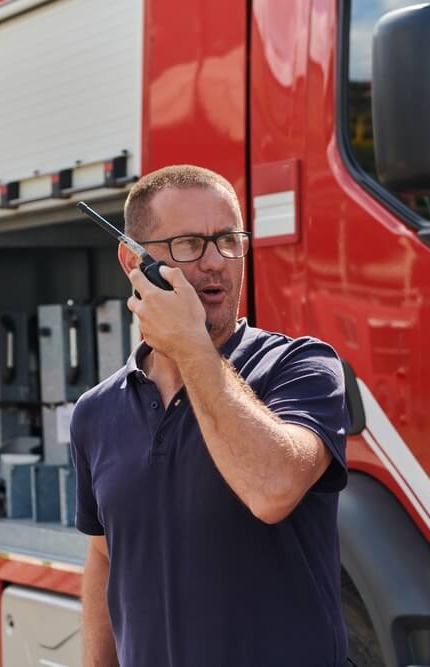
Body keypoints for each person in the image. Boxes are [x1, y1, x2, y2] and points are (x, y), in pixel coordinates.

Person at [71, 164, 350, 666]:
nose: (215, 262)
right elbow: (103, 557)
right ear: (132, 260)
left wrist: (192, 346)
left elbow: (272, 488)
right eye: (188, 245)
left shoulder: (302, 367)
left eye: (227, 240)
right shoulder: (96, 412)